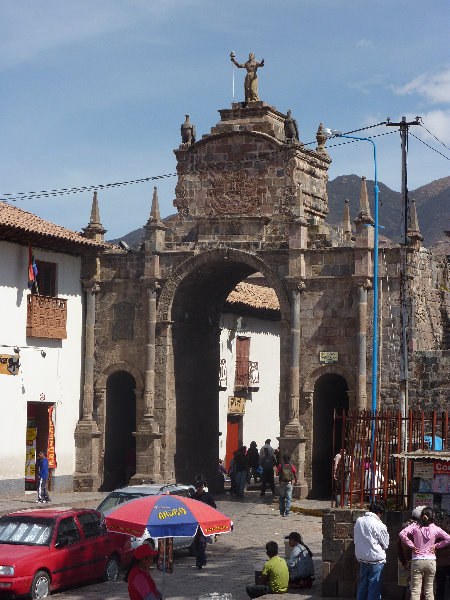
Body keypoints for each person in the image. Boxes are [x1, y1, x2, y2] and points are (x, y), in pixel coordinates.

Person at [399, 506, 450, 600]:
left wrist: (412, 545)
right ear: (432, 517)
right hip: (431, 561)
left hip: (417, 561)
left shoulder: (415, 526)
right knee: (429, 590)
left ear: (422, 516)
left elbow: (402, 533)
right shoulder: (435, 528)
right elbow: (448, 538)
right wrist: (436, 546)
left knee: (415, 590)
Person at [354, 501, 389, 600]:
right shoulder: (379, 525)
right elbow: (386, 544)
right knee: (374, 587)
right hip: (375, 559)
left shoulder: (359, 521)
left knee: (363, 585)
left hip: (362, 557)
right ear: (379, 512)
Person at [397, 505, 426, 600]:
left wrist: (403, 562)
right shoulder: (419, 528)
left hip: (409, 561)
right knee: (420, 588)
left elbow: (398, 547)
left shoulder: (405, 527)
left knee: (412, 587)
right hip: (418, 561)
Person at [190, 478, 216, 569]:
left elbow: (213, 508)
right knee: (196, 543)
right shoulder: (193, 497)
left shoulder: (207, 496)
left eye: (200, 487)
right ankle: (201, 558)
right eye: (197, 487)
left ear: (203, 487)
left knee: (202, 542)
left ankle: (200, 561)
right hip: (195, 522)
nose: (199, 489)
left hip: (204, 522)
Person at [434, 510, 450, 600]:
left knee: (440, 585)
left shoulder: (436, 530)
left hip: (439, 562)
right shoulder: (448, 530)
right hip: (448, 560)